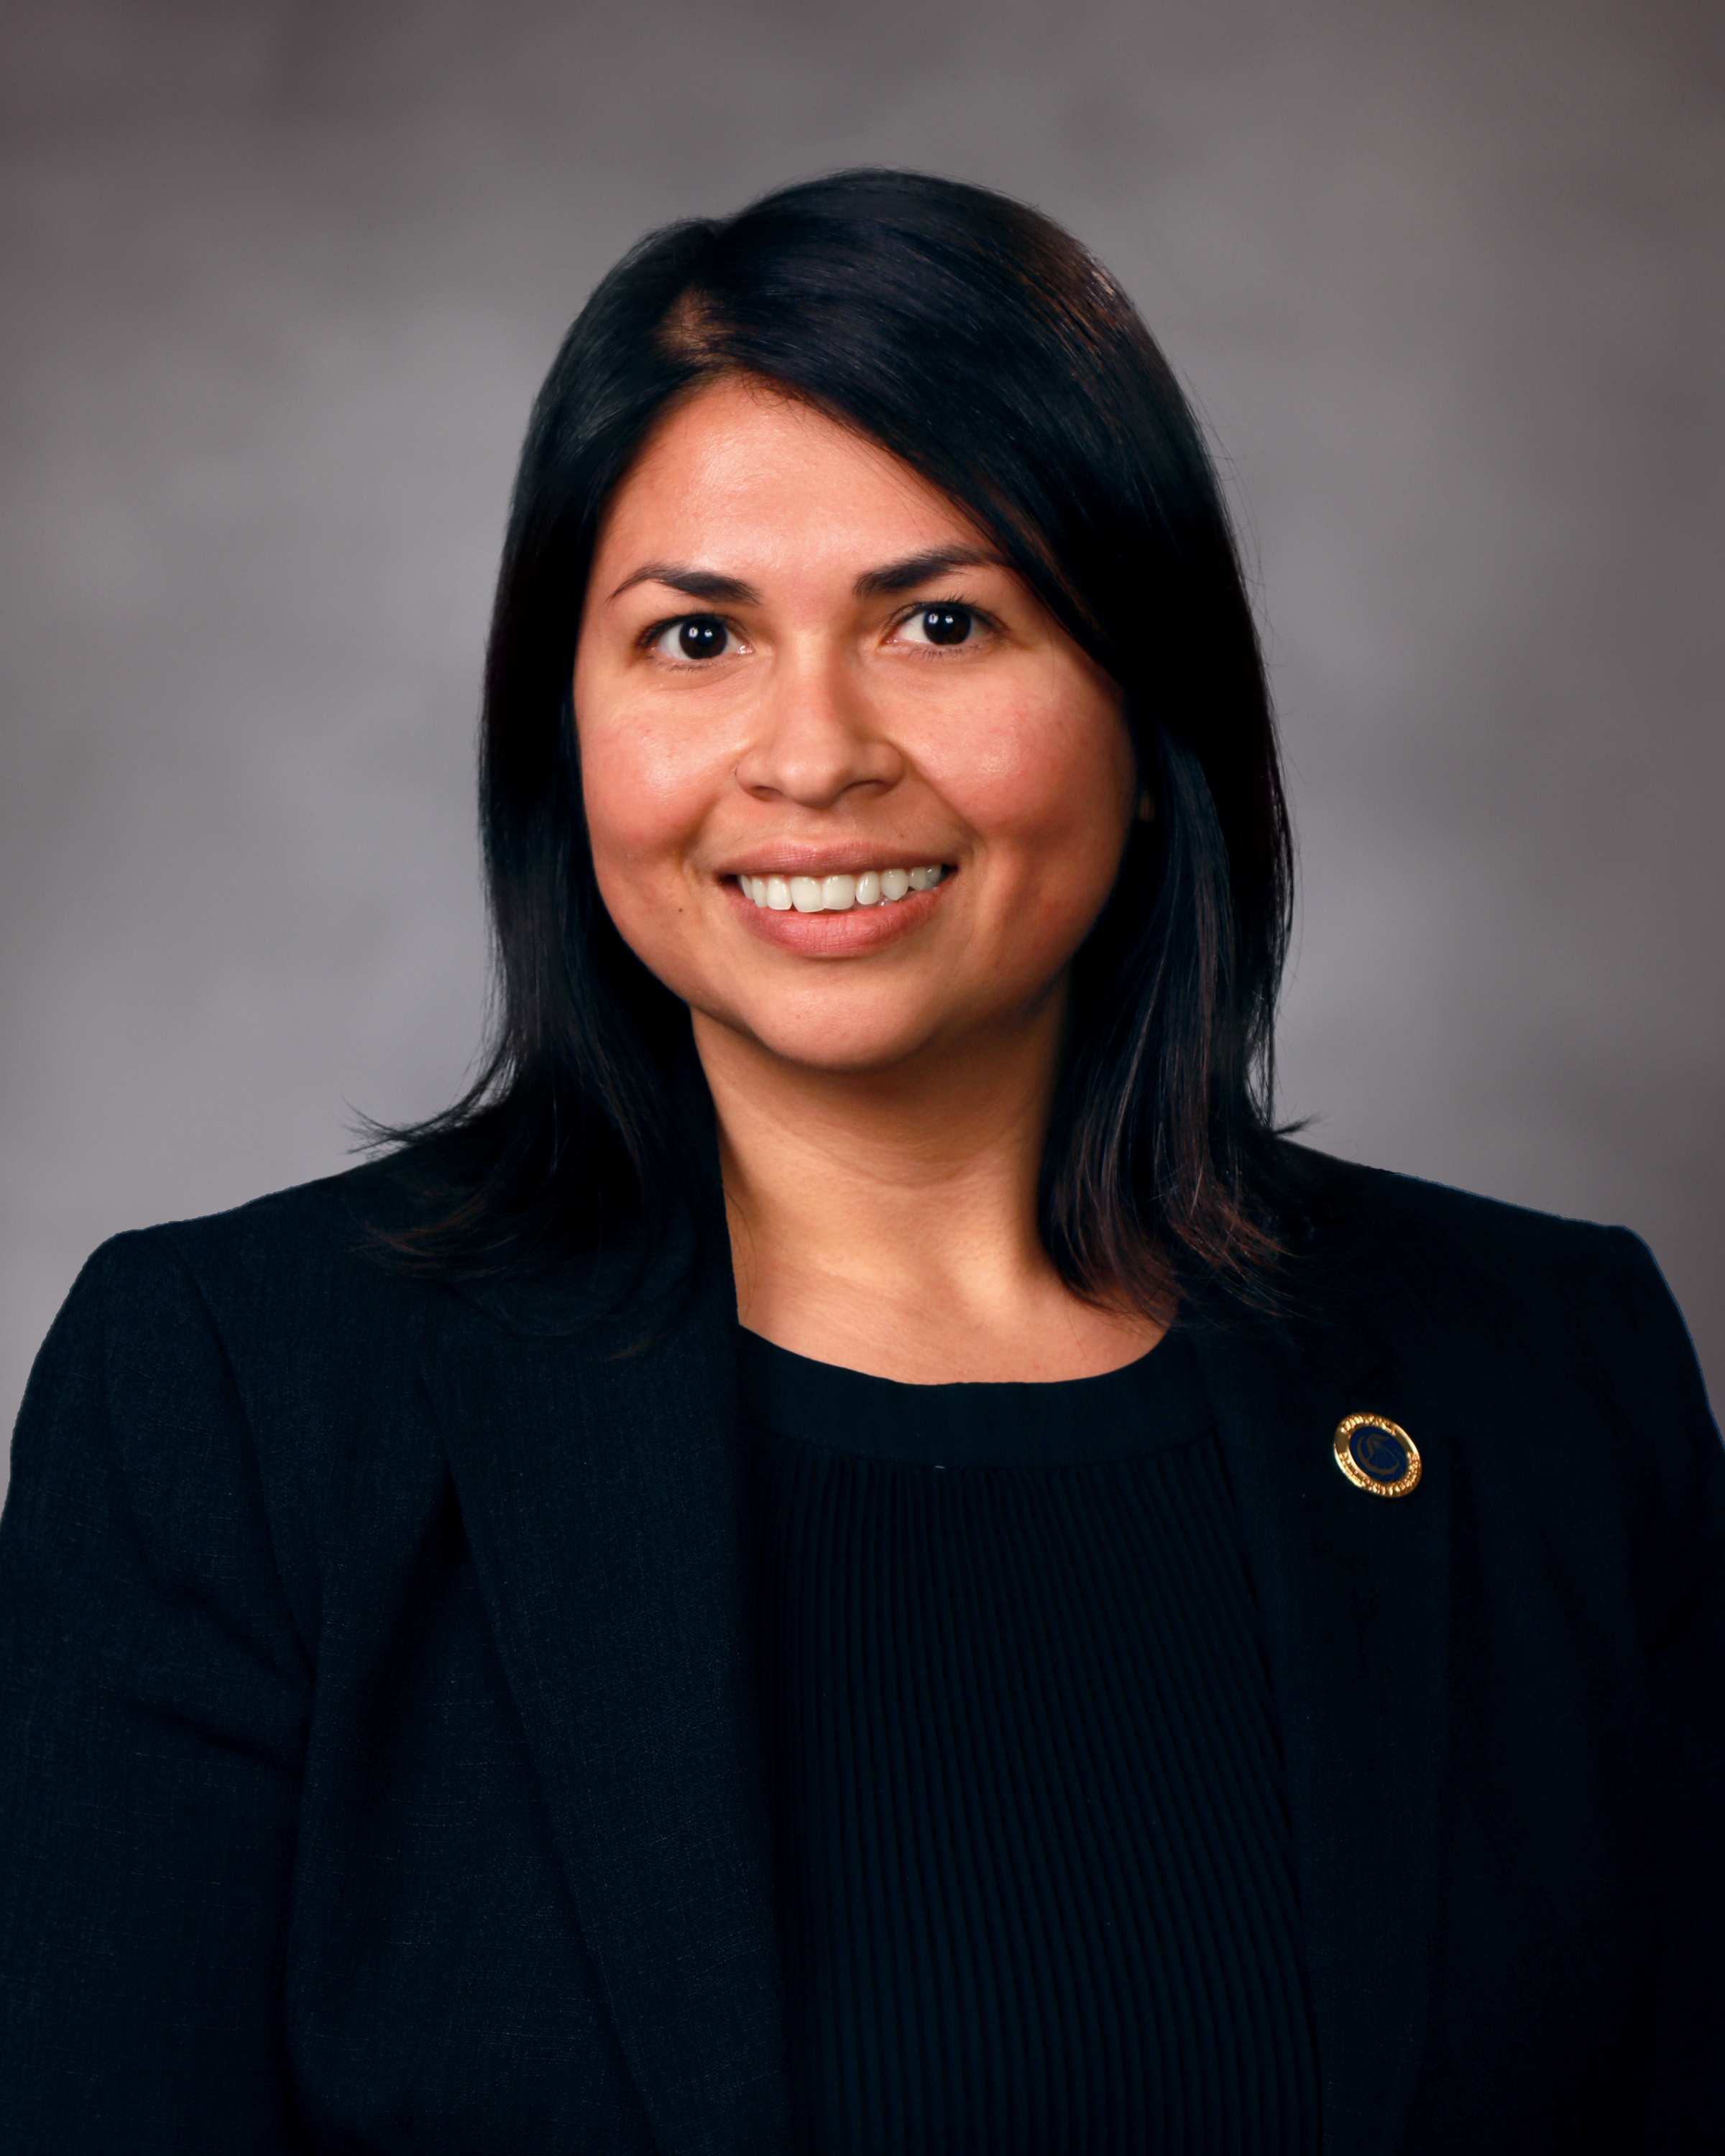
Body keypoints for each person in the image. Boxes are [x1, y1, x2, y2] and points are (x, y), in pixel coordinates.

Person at [0, 169, 1719, 2155]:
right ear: (566, 727)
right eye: (698, 636)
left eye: (939, 619)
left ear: (1144, 706)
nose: (811, 754)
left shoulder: (1551, 1381)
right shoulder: (236, 1402)